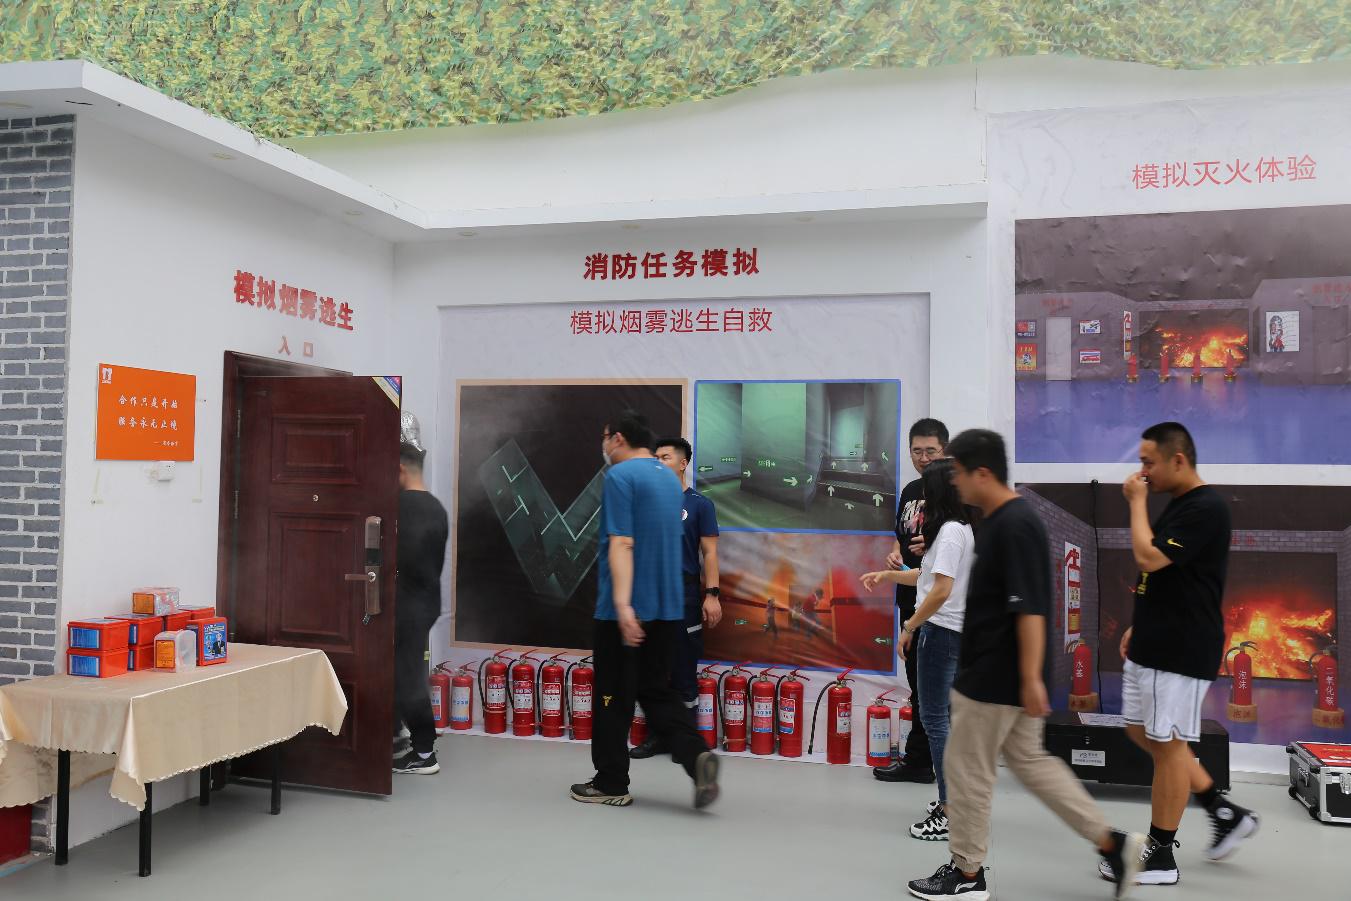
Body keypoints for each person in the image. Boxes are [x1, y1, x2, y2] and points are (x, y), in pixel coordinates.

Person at [906, 429, 1145, 901]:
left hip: (995, 677)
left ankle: (966, 874)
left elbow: (1031, 608)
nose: (953, 482)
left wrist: (1032, 677)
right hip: (1005, 673)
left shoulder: (1013, 525)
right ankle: (1112, 844)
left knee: (966, 771)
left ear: (982, 473)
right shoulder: (1002, 521)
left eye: (958, 473)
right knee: (1033, 765)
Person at [1100, 422, 1260, 886]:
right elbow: (1171, 578)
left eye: (1148, 462)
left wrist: (1135, 504)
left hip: (1181, 648)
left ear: (1178, 460)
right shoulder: (1180, 505)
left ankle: (1160, 855)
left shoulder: (1206, 508)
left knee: (1169, 747)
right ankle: (1222, 810)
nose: (1142, 472)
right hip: (1154, 641)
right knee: (1140, 731)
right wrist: (1141, 623)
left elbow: (1148, 558)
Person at [570, 411, 720, 808]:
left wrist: (623, 605)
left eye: (605, 437)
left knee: (611, 697)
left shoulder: (620, 477)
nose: (603, 445)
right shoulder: (668, 479)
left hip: (625, 612)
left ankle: (610, 782)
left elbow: (623, 543)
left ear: (618, 438)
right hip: (667, 610)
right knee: (657, 692)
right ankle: (696, 756)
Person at [860, 459, 973, 842]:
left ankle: (951, 809)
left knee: (936, 720)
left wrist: (910, 625)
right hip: (943, 631)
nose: (922, 499)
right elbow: (927, 577)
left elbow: (940, 591)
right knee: (938, 719)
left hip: (942, 633)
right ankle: (952, 800)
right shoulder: (952, 529)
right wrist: (888, 575)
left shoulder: (951, 532)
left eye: (927, 491)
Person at [630, 437, 722, 759]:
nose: (658, 462)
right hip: (649, 595)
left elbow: (710, 553)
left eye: (665, 457)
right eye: (655, 457)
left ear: (683, 464)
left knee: (683, 668)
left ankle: (685, 743)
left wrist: (712, 595)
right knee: (653, 669)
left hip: (684, 596)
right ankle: (656, 737)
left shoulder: (699, 505)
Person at [875, 418, 948, 784]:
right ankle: (920, 761)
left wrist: (932, 546)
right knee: (918, 685)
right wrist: (894, 553)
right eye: (917, 451)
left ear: (945, 450)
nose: (923, 458)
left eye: (930, 451)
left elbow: (960, 546)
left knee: (933, 690)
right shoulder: (910, 490)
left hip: (937, 602)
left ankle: (929, 762)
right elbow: (900, 535)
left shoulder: (953, 495)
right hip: (909, 595)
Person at [392, 442, 449, 775]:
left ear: (400, 468)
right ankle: (399, 733)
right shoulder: (436, 507)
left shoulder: (404, 507)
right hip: (425, 604)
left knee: (408, 676)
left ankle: (425, 752)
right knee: (403, 672)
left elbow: (404, 560)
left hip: (409, 606)